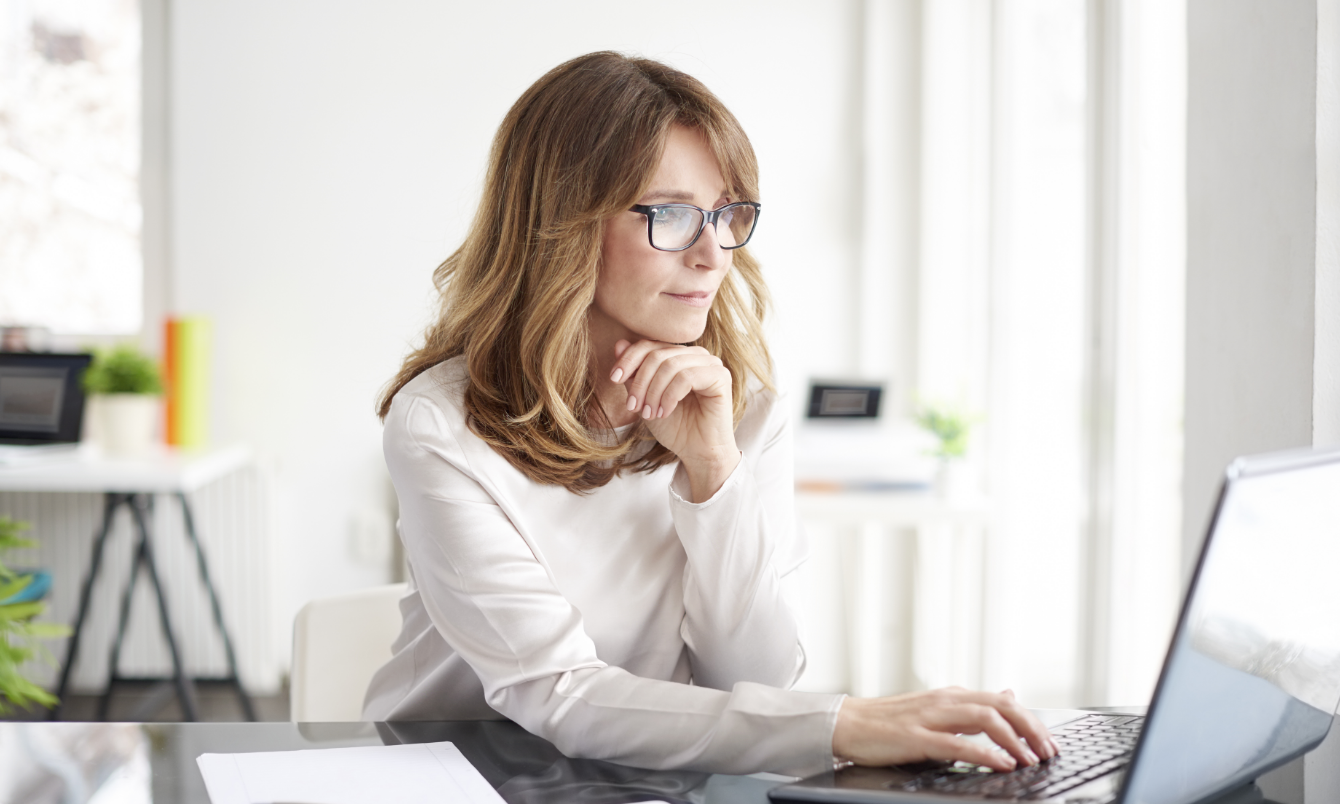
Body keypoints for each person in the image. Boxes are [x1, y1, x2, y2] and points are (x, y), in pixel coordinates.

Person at [365, 51, 1056, 778]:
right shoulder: (440, 426)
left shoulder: (744, 408)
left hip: (632, 776)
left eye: (726, 214)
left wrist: (715, 472)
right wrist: (847, 722)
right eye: (669, 214)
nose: (712, 253)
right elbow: (558, 693)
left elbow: (752, 681)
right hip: (446, 771)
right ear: (561, 225)